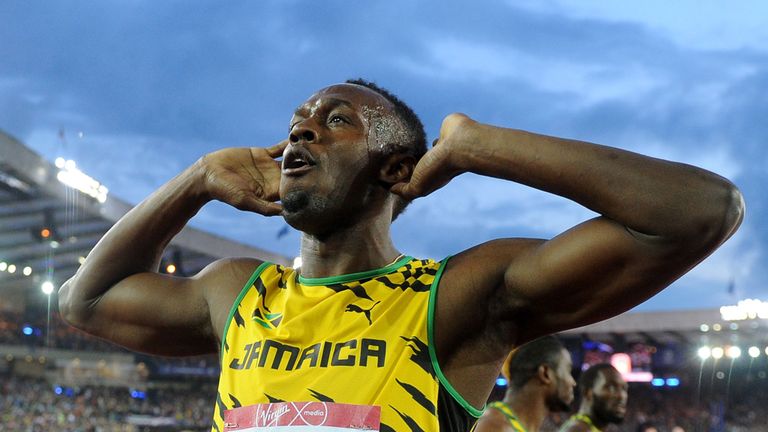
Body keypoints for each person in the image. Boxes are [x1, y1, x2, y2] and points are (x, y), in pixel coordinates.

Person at [58, 78, 744, 431]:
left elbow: (699, 213)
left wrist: (480, 147)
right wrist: (196, 179)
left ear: (393, 169)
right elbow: (85, 300)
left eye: (336, 120)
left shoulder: (454, 297)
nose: (300, 128)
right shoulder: (237, 293)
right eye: (299, 119)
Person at [473, 336, 576, 432]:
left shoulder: (508, 424)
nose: (573, 382)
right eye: (568, 370)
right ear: (545, 373)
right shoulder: (496, 427)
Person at [560, 364, 628, 432]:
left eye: (624, 388)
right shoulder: (578, 429)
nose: (621, 396)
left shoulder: (590, 427)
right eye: (611, 388)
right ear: (587, 393)